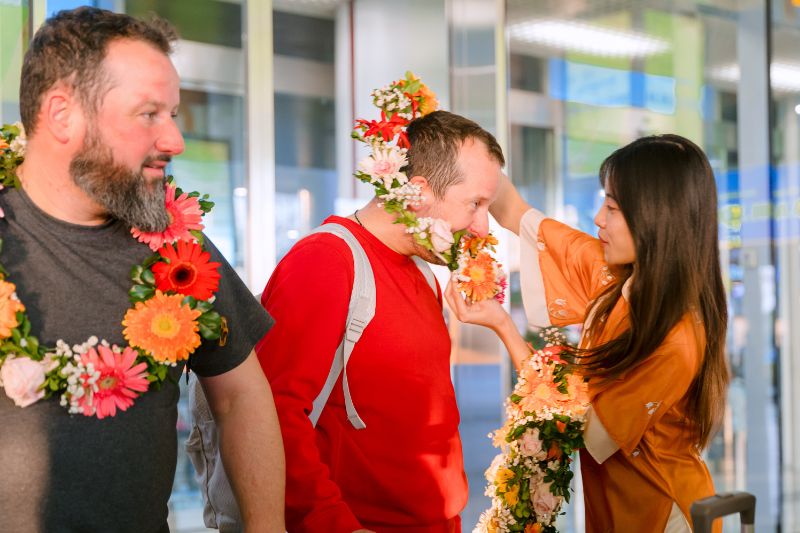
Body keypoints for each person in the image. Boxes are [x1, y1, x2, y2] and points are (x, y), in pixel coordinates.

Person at [0, 7, 284, 532]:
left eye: (172, 114)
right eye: (149, 113)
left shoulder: (179, 249)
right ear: (62, 115)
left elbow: (241, 395)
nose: (174, 140)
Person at [446, 134, 729, 532]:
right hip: (614, 504)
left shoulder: (675, 340)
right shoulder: (610, 274)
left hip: (662, 513)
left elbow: (578, 428)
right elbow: (514, 211)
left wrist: (502, 326)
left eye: (611, 207)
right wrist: (456, 140)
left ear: (654, 219)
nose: (598, 217)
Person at [257, 110, 504, 532]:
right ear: (419, 192)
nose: (482, 225)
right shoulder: (326, 261)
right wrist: (333, 523)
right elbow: (273, 413)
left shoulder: (423, 271)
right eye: (475, 204)